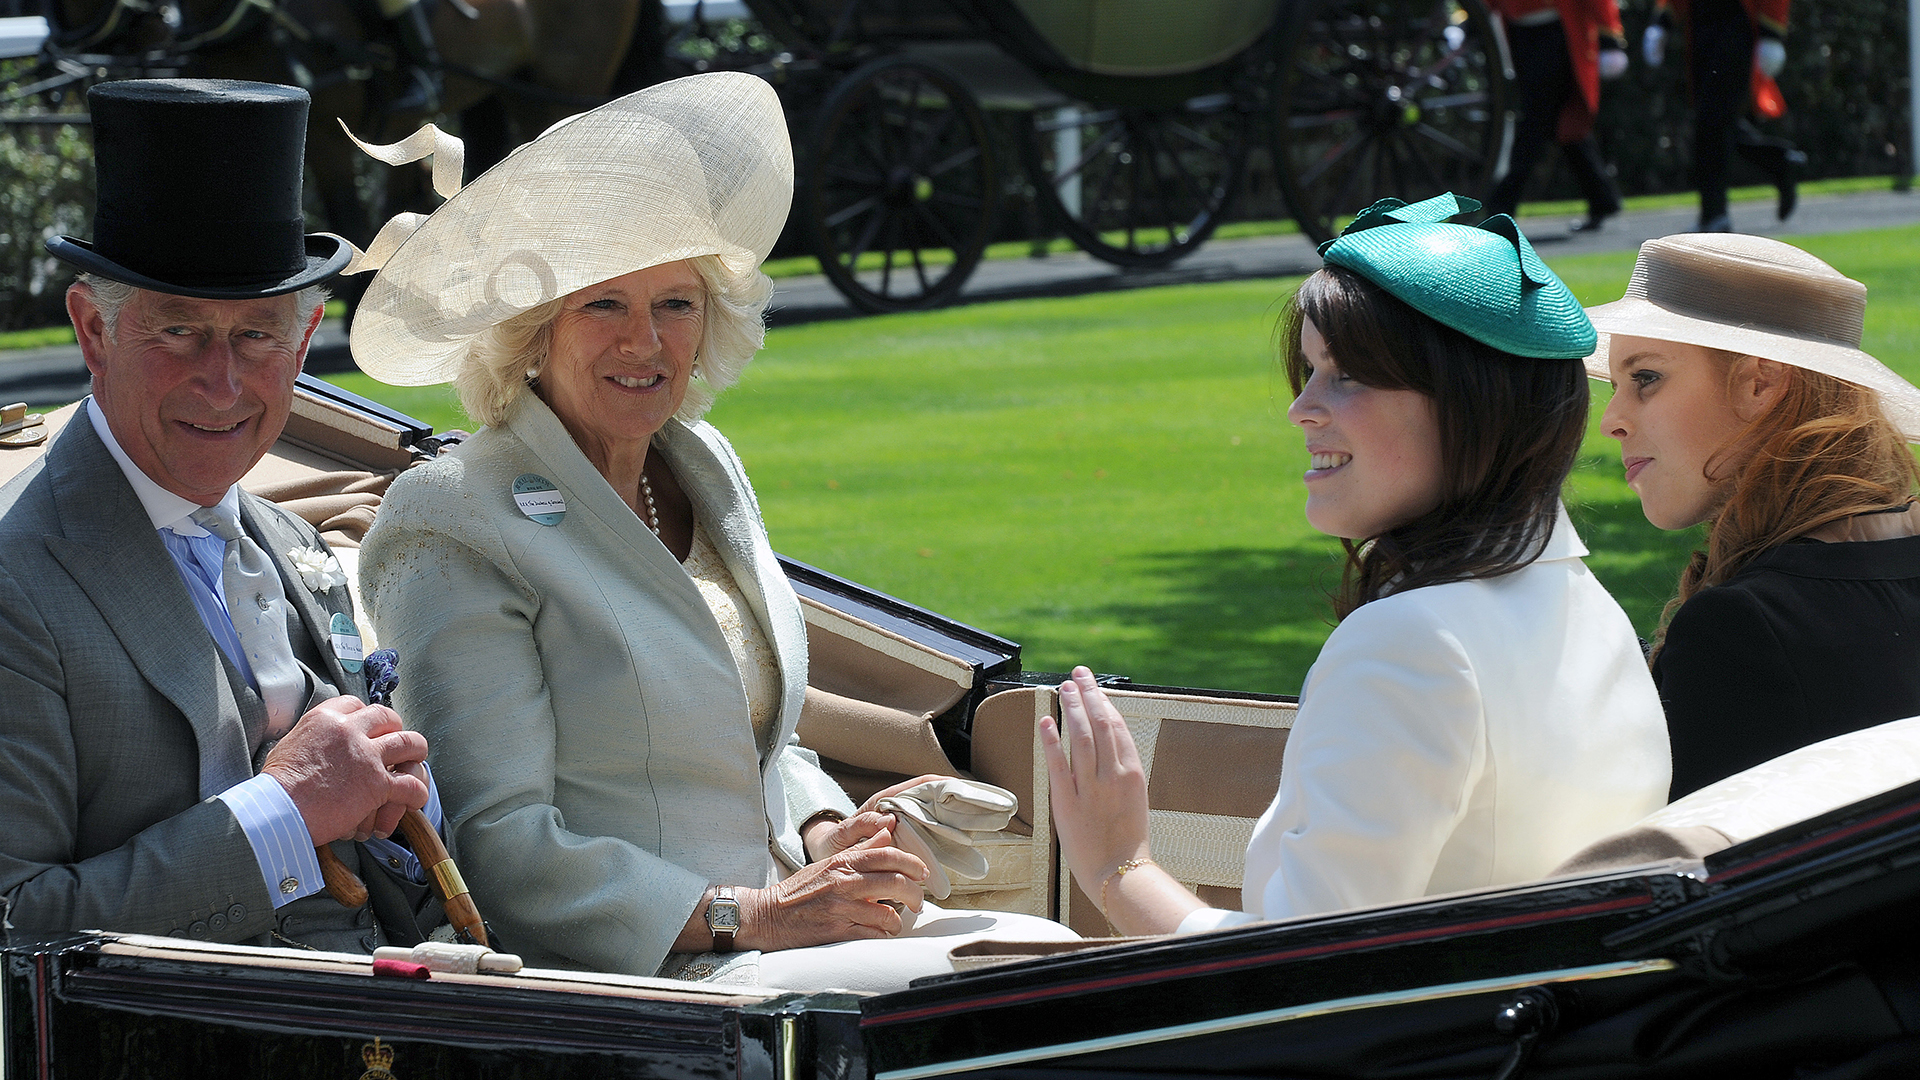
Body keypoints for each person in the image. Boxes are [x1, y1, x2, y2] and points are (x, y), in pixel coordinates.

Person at [352, 72, 1075, 991]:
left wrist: (826, 833)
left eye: (676, 303)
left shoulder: (705, 464)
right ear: (532, 329)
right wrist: (754, 915)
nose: (644, 341)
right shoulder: (453, 517)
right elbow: (499, 845)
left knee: (1043, 958)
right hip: (637, 970)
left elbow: (753, 733)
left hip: (788, 921)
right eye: (603, 303)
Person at [1039, 195, 1670, 938]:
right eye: (1309, 372)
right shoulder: (1591, 609)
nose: (1301, 409)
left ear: (1473, 404)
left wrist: (1118, 868)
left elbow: (1303, 980)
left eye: (1346, 377)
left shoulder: (1413, 642)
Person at [0, 79, 446, 952]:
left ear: (305, 340)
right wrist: (282, 809)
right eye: (179, 332)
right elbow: (13, 930)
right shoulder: (16, 584)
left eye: (256, 336)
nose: (225, 383)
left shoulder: (291, 544)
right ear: (94, 334)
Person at [1588, 232, 1920, 800]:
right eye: (1617, 385)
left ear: (1760, 383)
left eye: (1646, 378)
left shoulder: (1741, 631)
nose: (1612, 420)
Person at [1643, 0, 1802, 232]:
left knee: (1712, 122)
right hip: (1701, 25)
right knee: (1714, 123)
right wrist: (1663, 21)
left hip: (1736, 23)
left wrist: (1772, 33)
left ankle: (1715, 214)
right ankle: (1778, 162)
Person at [1484, 0, 1628, 232]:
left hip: (1557, 31)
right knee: (1561, 122)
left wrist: (1609, 35)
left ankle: (1500, 205)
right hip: (1520, 32)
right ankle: (1602, 199)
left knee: (1536, 121)